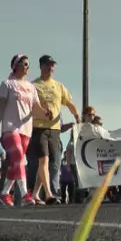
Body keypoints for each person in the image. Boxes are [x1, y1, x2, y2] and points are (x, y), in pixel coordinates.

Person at [0, 54, 50, 206]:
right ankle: (26, 194)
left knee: (15, 163)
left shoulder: (31, 87)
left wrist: (45, 113)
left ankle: (4, 193)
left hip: (26, 130)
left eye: (28, 64)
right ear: (15, 66)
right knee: (19, 157)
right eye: (24, 64)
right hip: (10, 127)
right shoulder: (7, 84)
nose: (27, 67)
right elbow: (1, 108)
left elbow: (36, 106)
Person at [28, 55, 80, 205]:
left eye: (52, 65)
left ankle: (35, 194)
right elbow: (30, 107)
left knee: (48, 162)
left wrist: (76, 115)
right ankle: (49, 194)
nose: (51, 68)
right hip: (39, 127)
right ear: (41, 66)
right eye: (48, 65)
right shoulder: (34, 86)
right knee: (43, 159)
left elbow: (69, 103)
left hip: (55, 129)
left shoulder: (59, 86)